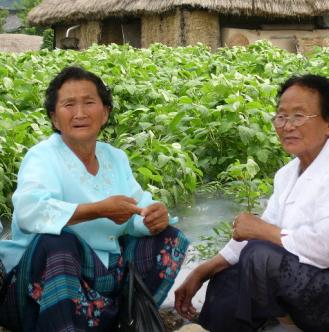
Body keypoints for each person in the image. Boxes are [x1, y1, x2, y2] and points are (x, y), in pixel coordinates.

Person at [174, 74, 329, 332]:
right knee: (228, 271)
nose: (287, 126)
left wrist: (261, 230)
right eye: (281, 116)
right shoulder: (290, 173)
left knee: (259, 256)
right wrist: (202, 271)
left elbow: (327, 249)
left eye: (299, 116)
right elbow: (262, 230)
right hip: (322, 281)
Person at [0, 66, 189, 331]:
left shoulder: (115, 157)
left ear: (105, 113)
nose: (80, 113)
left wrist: (152, 216)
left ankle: (124, 319)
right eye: (68, 105)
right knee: (57, 242)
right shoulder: (42, 156)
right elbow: (29, 212)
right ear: (54, 118)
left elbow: (137, 205)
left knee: (168, 236)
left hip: (101, 277)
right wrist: (98, 210)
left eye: (89, 102)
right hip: (37, 287)